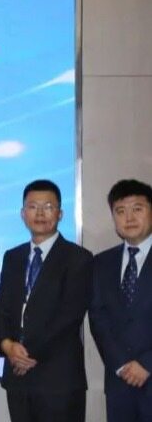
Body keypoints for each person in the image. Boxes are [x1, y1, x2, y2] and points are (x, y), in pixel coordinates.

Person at [0, 179, 92, 422]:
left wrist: (27, 354)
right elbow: (0, 307)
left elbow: (69, 316)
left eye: (48, 206)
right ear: (23, 213)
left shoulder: (78, 258)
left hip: (59, 379)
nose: (40, 213)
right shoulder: (13, 257)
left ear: (60, 213)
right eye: (33, 206)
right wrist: (7, 346)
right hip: (18, 379)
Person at [90, 178, 152, 422]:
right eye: (120, 211)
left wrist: (147, 364)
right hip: (119, 384)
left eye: (137, 209)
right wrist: (121, 364)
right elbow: (98, 319)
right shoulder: (101, 263)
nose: (129, 217)